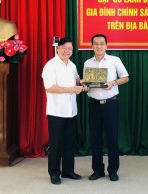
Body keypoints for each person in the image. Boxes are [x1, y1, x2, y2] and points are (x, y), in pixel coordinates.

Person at [83, 34, 129, 182]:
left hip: (111, 104)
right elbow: (87, 82)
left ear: (106, 45)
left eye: (102, 44)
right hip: (94, 105)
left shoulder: (115, 60)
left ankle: (113, 170)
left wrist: (113, 83)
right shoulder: (87, 63)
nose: (99, 46)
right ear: (92, 46)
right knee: (95, 138)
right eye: (96, 44)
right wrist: (85, 85)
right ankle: (97, 170)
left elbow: (125, 77)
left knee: (112, 138)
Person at [41, 37, 87, 185]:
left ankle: (68, 171)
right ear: (58, 48)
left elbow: (76, 80)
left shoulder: (72, 65)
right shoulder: (50, 65)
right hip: (56, 111)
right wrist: (73, 89)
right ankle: (54, 173)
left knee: (69, 143)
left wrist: (83, 82)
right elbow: (50, 87)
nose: (67, 51)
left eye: (70, 49)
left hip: (71, 111)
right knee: (56, 143)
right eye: (64, 48)